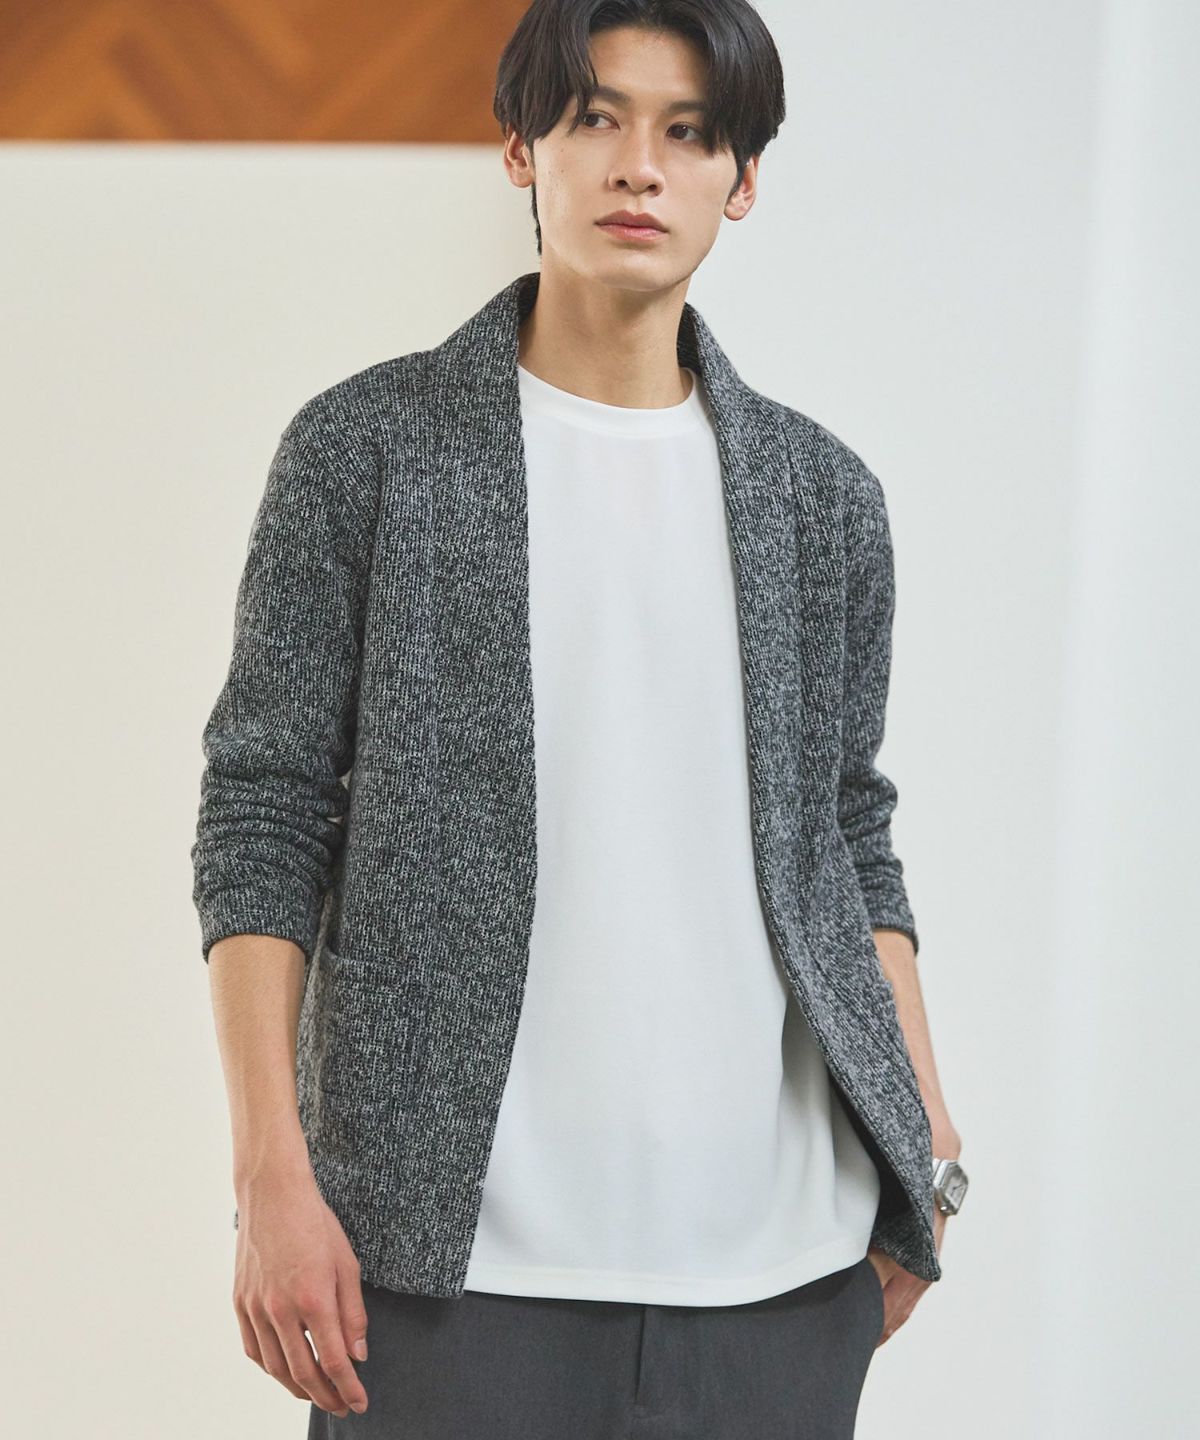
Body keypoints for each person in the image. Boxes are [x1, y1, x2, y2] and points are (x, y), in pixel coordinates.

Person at [192, 1, 967, 1434]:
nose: (637, 167)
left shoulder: (822, 499)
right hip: (438, 1270)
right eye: (595, 118)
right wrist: (267, 1176)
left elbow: (849, 829)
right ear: (519, 149)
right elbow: (264, 811)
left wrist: (919, 1123)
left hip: (780, 1278)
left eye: (690, 134)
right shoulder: (369, 451)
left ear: (742, 179)